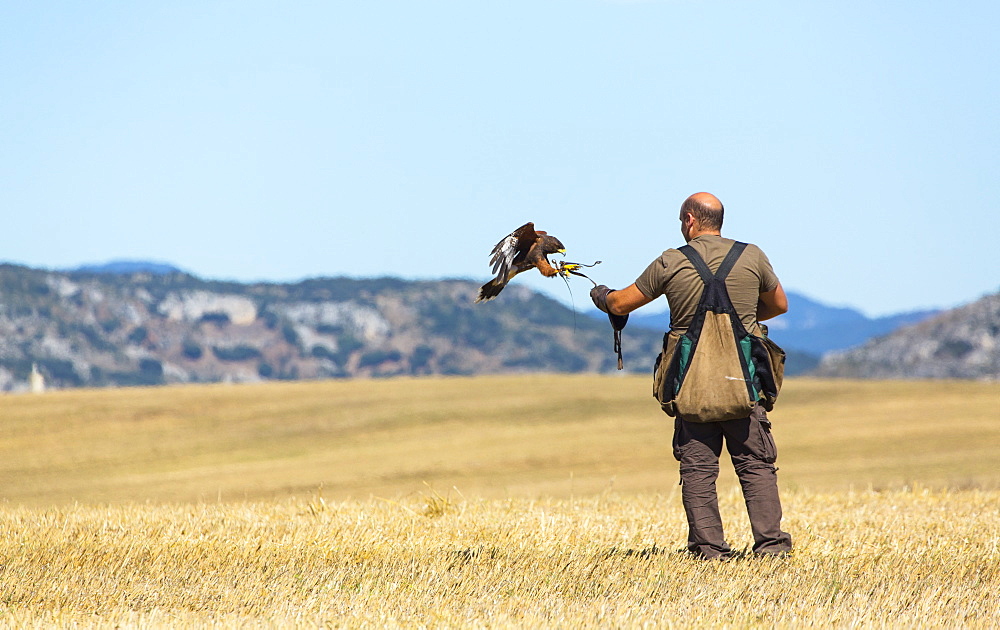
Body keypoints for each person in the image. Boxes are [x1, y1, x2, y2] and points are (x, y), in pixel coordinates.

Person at [590, 192, 792, 560]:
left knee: (698, 470)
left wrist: (602, 295)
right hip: (744, 385)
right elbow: (779, 305)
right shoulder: (752, 255)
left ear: (689, 220)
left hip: (691, 385)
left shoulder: (671, 261)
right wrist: (744, 317)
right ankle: (772, 549)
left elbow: (621, 303)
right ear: (719, 220)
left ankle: (710, 552)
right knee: (755, 466)